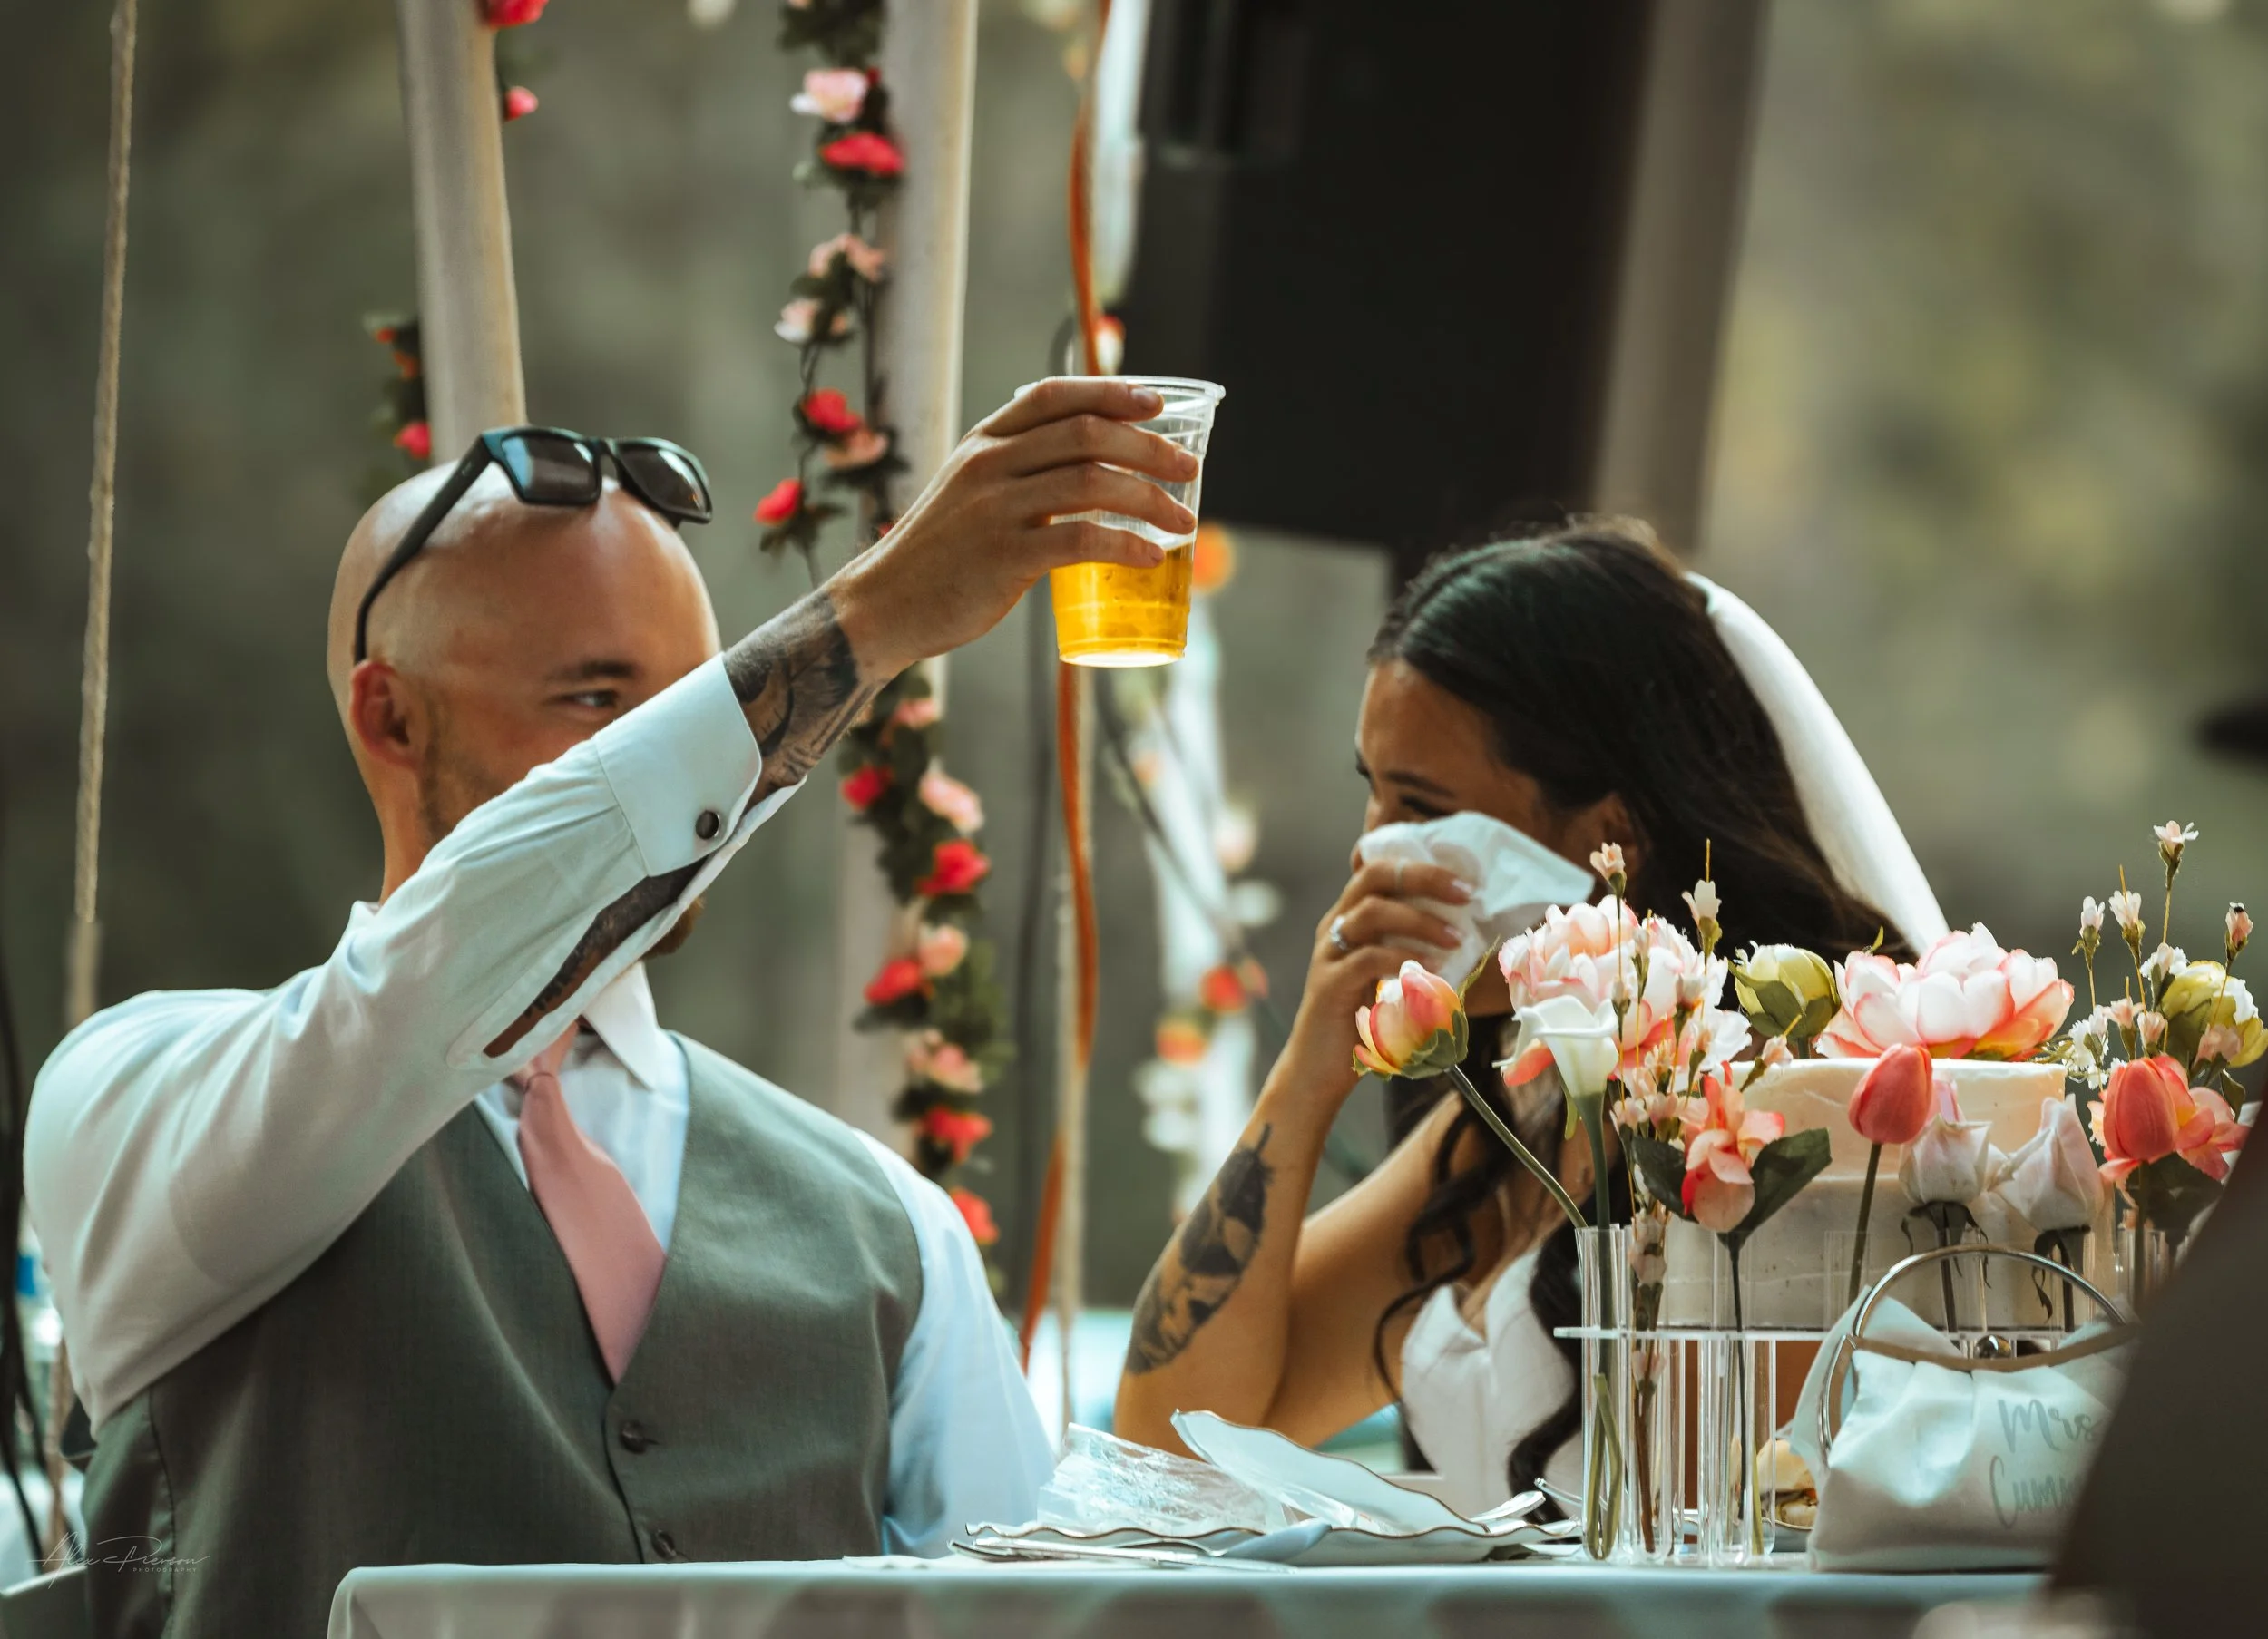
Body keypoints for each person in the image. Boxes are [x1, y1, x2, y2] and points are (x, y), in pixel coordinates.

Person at [29, 380, 1197, 1638]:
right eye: (599, 708)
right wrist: (865, 621)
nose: (689, 759)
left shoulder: (888, 1222)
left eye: (697, 701)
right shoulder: (140, 1100)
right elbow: (436, 972)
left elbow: (1034, 1621)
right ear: (390, 714)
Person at [1113, 522, 1941, 1514]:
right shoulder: (1519, 1124)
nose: (1370, 856)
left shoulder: (1785, 1104)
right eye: (1372, 799)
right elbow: (1171, 1441)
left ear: (1611, 837)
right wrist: (1310, 1069)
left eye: (1421, 808)